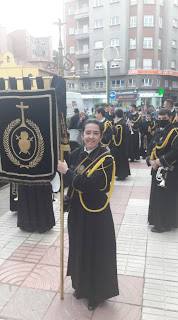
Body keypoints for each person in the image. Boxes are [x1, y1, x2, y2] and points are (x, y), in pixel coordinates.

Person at [57, 119, 119, 310]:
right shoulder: (76, 153)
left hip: (96, 214)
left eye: (95, 133)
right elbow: (70, 181)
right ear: (82, 134)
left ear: (101, 136)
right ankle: (81, 286)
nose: (91, 137)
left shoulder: (106, 159)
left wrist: (68, 172)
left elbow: (93, 186)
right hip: (78, 212)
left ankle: (96, 293)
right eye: (87, 133)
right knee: (79, 248)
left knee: (95, 252)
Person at [146, 108, 178, 233]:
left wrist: (159, 161)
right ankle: (156, 220)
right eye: (159, 119)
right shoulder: (159, 132)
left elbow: (175, 151)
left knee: (166, 197)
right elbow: (151, 147)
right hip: (156, 170)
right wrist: (150, 161)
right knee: (156, 196)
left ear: (170, 118)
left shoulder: (175, 132)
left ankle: (165, 224)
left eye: (164, 119)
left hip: (169, 171)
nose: (161, 121)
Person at [111, 109, 130, 180]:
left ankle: (121, 175)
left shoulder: (119, 124)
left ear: (116, 115)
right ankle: (122, 174)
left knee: (120, 159)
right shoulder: (123, 122)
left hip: (119, 145)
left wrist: (114, 124)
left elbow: (114, 132)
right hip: (123, 144)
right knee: (122, 159)